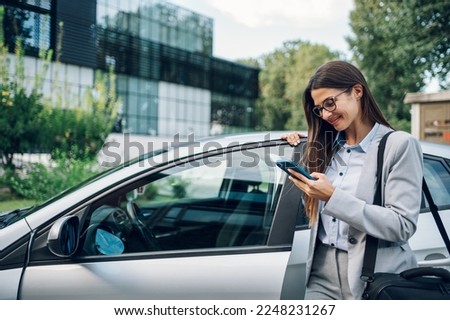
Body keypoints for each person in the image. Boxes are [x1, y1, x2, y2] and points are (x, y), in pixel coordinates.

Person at [282, 60, 423, 300]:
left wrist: (332, 197)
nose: (326, 114)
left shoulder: (399, 145)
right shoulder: (324, 147)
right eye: (320, 109)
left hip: (376, 279)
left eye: (330, 102)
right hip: (320, 275)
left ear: (357, 91)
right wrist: (294, 141)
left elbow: (402, 225)